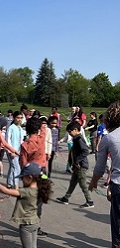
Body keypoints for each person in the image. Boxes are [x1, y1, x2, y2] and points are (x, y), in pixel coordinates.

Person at [0, 162, 52, 248]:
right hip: (35, 223)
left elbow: (6, 191)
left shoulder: (26, 191)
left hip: (26, 225)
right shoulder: (39, 188)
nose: (22, 180)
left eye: (23, 178)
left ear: (30, 177)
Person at [89, 101, 120, 247]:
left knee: (118, 227)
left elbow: (100, 168)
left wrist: (93, 182)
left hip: (118, 187)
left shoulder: (109, 138)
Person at [57, 121, 94, 208]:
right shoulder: (76, 139)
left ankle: (90, 201)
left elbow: (85, 151)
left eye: (70, 132)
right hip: (76, 165)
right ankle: (66, 198)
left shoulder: (79, 139)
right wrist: (72, 162)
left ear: (76, 130)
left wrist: (77, 161)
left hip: (81, 166)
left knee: (82, 183)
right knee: (73, 182)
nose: (69, 134)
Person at [6, 111, 24, 190]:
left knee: (12, 167)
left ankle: (9, 182)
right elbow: (8, 140)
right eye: (18, 118)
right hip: (12, 151)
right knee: (17, 168)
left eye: (21, 118)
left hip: (18, 151)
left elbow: (22, 140)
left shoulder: (20, 128)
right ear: (14, 118)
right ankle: (16, 186)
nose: (19, 120)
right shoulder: (11, 127)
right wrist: (11, 151)